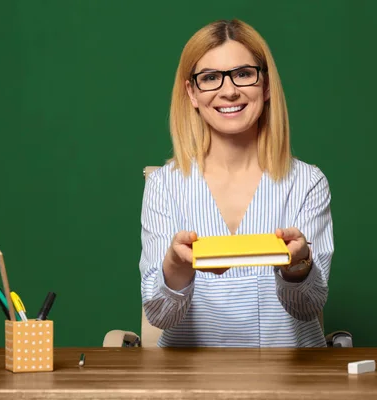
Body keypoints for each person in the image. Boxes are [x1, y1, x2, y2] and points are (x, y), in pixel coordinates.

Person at [139, 19, 334, 347]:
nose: (229, 90)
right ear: (192, 94)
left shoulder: (307, 182)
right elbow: (160, 315)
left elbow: (308, 307)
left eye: (243, 74)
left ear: (266, 85)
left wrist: (297, 267)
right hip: (190, 387)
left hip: (291, 383)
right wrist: (175, 266)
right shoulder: (164, 185)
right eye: (210, 78)